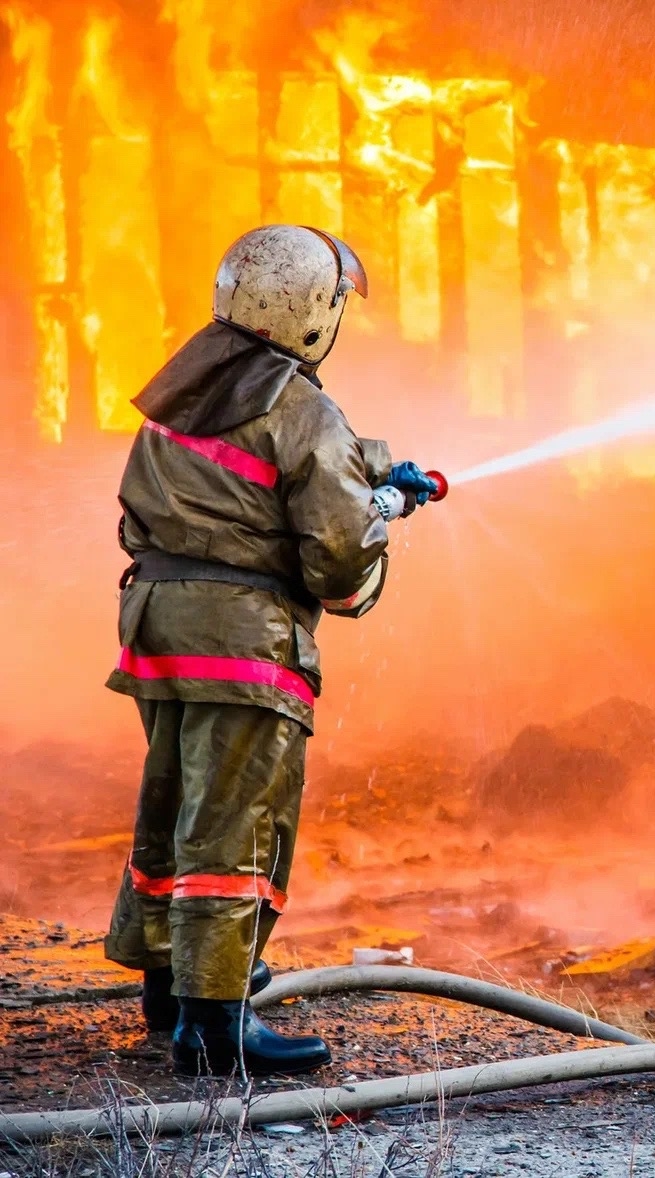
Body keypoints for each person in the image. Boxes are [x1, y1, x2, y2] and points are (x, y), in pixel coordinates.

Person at [101, 225, 438, 1077]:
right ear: (310, 313)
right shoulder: (300, 406)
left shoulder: (185, 388)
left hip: (158, 626)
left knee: (176, 802)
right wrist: (380, 521)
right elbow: (336, 559)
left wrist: (374, 474)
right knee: (239, 823)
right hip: (242, 643)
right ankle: (216, 1029)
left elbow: (244, 480)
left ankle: (170, 994)